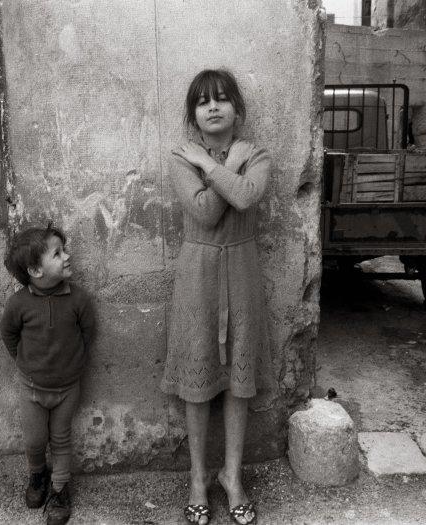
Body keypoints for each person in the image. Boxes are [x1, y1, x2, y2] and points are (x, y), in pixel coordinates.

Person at [160, 69, 270, 525]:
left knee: (238, 378)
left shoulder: (258, 152)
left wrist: (214, 171)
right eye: (203, 101)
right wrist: (216, 165)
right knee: (198, 378)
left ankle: (232, 475)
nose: (213, 107)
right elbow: (205, 213)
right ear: (193, 114)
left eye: (222, 99)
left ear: (236, 109)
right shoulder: (182, 157)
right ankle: (198, 479)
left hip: (242, 273)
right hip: (198, 274)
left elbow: (246, 198)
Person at [0, 225, 96, 525]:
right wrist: (25, 362)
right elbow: (9, 335)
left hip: (68, 388)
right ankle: (38, 475)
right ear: (35, 270)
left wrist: (74, 363)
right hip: (31, 388)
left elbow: (88, 333)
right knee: (34, 440)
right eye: (57, 253)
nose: (67, 256)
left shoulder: (78, 300)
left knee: (61, 438)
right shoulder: (18, 304)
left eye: (63, 250)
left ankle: (59, 489)